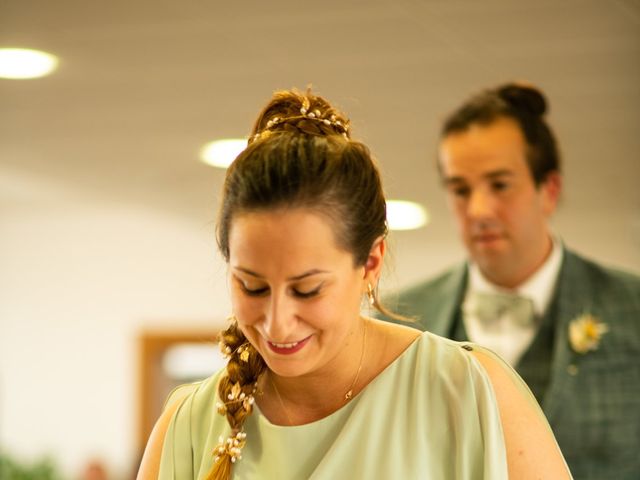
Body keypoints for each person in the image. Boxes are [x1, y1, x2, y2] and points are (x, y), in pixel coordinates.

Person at [137, 89, 571, 479]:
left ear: (370, 263)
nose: (277, 323)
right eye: (253, 287)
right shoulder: (188, 426)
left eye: (307, 290)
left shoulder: (468, 391)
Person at [387, 82, 640, 479]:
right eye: (460, 190)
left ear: (549, 190)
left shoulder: (632, 308)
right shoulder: (396, 321)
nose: (479, 209)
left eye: (500, 185)